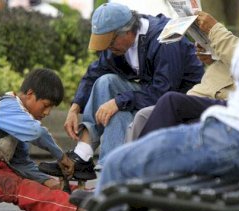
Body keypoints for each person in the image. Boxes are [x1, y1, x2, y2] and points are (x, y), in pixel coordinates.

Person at [93, 0, 239, 195]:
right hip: (237, 125)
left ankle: (125, 189)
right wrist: (215, 59)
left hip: (237, 131)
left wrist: (226, 38)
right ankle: (129, 188)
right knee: (142, 116)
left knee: (119, 162)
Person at [55, 2, 204, 174]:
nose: (107, 49)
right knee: (106, 82)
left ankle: (110, 171)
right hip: (152, 95)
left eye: (110, 43)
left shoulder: (165, 38)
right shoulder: (118, 46)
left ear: (127, 31)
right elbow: (94, 72)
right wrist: (74, 108)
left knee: (118, 109)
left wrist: (119, 101)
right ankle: (83, 155)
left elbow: (164, 93)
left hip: (181, 101)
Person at [125, 1, 239, 142]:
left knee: (170, 100)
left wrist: (214, 29)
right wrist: (213, 57)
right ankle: (123, 161)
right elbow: (238, 59)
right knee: (143, 116)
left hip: (224, 101)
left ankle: (138, 160)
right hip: (206, 94)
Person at [0, 68, 80, 211]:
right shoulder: (7, 107)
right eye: (46, 105)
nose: (47, 112)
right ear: (30, 94)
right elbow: (37, 132)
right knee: (25, 189)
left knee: (53, 186)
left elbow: (21, 163)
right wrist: (61, 156)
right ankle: (79, 210)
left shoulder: (21, 116)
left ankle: (92, 199)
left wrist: (47, 181)